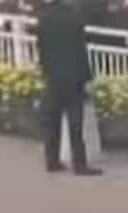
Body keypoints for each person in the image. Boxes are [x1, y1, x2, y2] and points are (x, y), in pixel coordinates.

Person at [35, 0, 103, 176]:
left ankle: (52, 160)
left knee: (52, 120)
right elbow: (80, 51)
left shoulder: (44, 18)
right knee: (75, 123)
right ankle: (79, 164)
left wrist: (45, 71)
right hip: (73, 78)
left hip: (53, 76)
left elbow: (41, 49)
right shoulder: (74, 19)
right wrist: (87, 77)